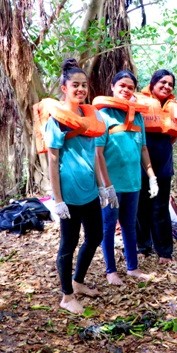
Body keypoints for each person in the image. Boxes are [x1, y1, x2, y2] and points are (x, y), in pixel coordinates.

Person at [45, 59, 109, 314]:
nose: (81, 89)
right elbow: (51, 158)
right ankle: (66, 296)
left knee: (96, 236)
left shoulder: (89, 116)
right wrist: (57, 199)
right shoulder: (57, 120)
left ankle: (78, 281)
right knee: (68, 243)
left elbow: (94, 153)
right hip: (69, 192)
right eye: (75, 85)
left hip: (89, 191)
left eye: (84, 85)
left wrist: (103, 186)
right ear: (64, 87)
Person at [94, 70, 157, 285]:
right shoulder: (103, 115)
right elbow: (98, 152)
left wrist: (152, 176)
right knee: (108, 225)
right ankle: (110, 271)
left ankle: (133, 268)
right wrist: (105, 185)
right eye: (122, 85)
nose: (126, 90)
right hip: (111, 183)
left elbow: (143, 149)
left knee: (129, 224)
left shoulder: (137, 116)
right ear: (112, 87)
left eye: (130, 87)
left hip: (133, 182)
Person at [135, 69, 177, 265]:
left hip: (163, 164)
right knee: (141, 207)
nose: (166, 86)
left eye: (170, 84)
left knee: (160, 208)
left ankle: (164, 251)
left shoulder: (174, 107)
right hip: (139, 163)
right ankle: (143, 247)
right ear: (152, 84)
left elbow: (172, 137)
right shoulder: (139, 102)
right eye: (162, 82)